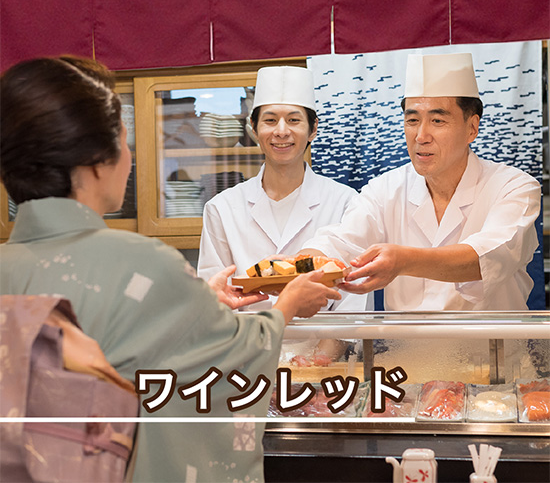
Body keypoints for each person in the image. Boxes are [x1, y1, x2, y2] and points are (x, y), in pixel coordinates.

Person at [0, 56, 341, 483]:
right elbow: (229, 361)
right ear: (95, 160)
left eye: (294, 120)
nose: (129, 157)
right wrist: (284, 309)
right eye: (124, 141)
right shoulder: (144, 264)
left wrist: (200, 302)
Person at [300, 52, 541, 311]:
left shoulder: (514, 186)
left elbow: (488, 257)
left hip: (493, 350)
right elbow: (341, 242)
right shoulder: (385, 189)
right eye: (412, 120)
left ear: (472, 128)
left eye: (438, 121)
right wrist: (294, 267)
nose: (421, 135)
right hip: (405, 352)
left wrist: (403, 260)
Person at [198, 65, 371, 313]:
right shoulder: (222, 208)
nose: (281, 131)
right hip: (249, 346)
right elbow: (213, 302)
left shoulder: (345, 202)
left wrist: (321, 354)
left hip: (321, 345)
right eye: (269, 120)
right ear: (254, 129)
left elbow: (352, 303)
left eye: (293, 120)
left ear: (313, 129)